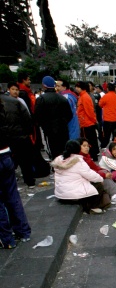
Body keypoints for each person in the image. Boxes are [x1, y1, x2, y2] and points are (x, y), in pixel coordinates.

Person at [0, 94, 32, 247]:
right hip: (6, 153)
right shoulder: (9, 104)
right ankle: (23, 231)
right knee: (12, 195)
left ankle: (6, 239)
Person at [52, 139, 110, 214]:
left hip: (61, 194)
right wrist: (101, 179)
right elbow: (90, 175)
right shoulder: (78, 161)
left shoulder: (59, 159)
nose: (87, 147)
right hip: (73, 196)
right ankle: (92, 207)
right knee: (98, 184)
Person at [78, 138, 116, 205]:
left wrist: (104, 171)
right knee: (105, 177)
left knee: (107, 173)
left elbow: (95, 167)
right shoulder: (81, 159)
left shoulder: (87, 156)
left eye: (87, 146)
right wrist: (104, 174)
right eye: (84, 146)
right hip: (85, 180)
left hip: (92, 175)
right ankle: (114, 195)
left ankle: (115, 192)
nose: (87, 148)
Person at [34, 76, 73, 160]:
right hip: (63, 128)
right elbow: (69, 114)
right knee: (64, 149)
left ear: (44, 85)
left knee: (53, 150)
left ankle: (56, 167)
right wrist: (63, 122)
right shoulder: (62, 98)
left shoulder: (41, 99)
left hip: (50, 130)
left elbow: (38, 116)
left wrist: (44, 126)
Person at [6, 82, 36, 189]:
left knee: (15, 158)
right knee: (23, 159)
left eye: (16, 89)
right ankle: (29, 181)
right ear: (8, 89)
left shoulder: (19, 101)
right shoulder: (17, 102)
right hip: (18, 135)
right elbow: (27, 118)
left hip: (14, 135)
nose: (15, 91)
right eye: (13, 89)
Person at [75, 81, 99, 160]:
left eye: (77, 87)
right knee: (91, 140)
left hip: (87, 123)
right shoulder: (82, 96)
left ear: (81, 88)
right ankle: (92, 155)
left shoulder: (84, 97)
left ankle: (92, 156)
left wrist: (94, 120)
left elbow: (90, 111)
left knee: (89, 141)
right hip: (86, 123)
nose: (76, 89)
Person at [98, 83, 116, 147]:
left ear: (107, 89)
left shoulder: (106, 96)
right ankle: (115, 148)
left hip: (108, 119)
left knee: (106, 136)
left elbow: (100, 104)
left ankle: (103, 147)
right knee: (115, 137)